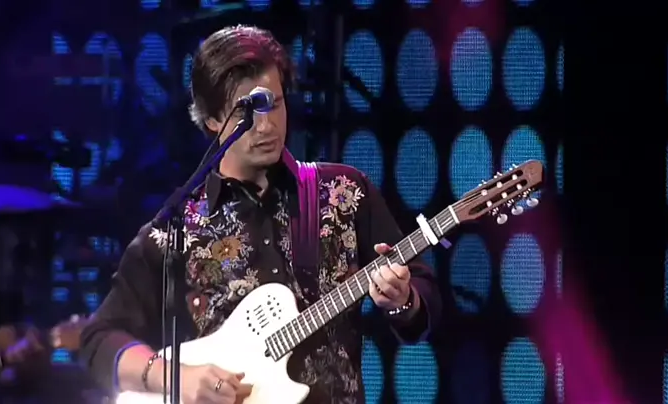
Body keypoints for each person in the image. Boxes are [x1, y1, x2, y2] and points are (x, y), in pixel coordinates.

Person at [79, 25, 441, 404]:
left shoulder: (344, 193)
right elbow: (98, 340)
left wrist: (404, 300)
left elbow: (422, 296)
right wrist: (174, 379)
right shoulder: (176, 231)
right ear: (212, 119)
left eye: (274, 104)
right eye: (247, 112)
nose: (266, 126)